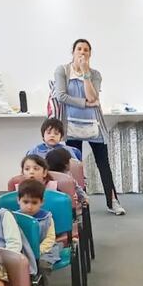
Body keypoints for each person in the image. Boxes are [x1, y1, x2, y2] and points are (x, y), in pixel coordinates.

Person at [54, 39, 124, 215]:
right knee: (72, 165)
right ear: (73, 52)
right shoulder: (62, 70)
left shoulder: (95, 74)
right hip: (71, 126)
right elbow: (61, 96)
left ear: (90, 54)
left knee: (103, 164)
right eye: (79, 49)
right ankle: (76, 203)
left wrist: (85, 73)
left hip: (94, 125)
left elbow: (93, 98)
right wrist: (85, 103)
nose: (82, 53)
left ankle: (113, 201)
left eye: (86, 50)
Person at [16, 179, 62, 275]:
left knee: (42, 266)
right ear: (18, 200)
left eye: (34, 202)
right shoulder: (13, 217)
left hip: (45, 251)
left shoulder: (47, 218)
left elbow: (50, 239)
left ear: (42, 202)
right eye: (25, 202)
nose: (29, 206)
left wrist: (37, 251)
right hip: (22, 251)